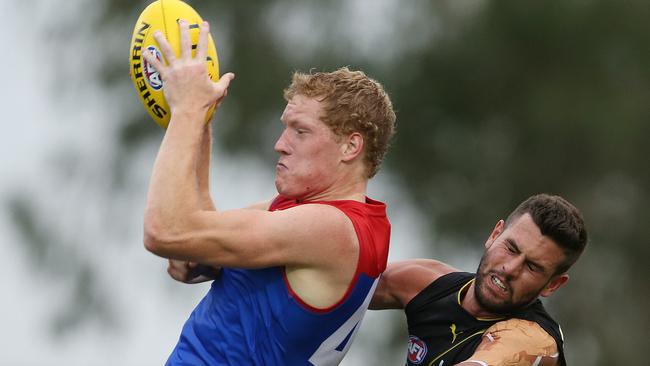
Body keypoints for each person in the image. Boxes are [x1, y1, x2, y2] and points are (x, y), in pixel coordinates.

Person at [142, 20, 396, 366]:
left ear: (351, 146)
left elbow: (165, 232)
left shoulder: (332, 230)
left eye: (300, 132)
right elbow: (194, 239)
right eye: (285, 128)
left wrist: (186, 110)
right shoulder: (300, 214)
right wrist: (201, 120)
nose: (280, 145)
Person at [370, 194, 588, 366]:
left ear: (552, 285)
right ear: (494, 235)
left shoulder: (533, 340)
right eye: (511, 248)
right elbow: (341, 283)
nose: (510, 269)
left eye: (532, 267)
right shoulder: (428, 283)